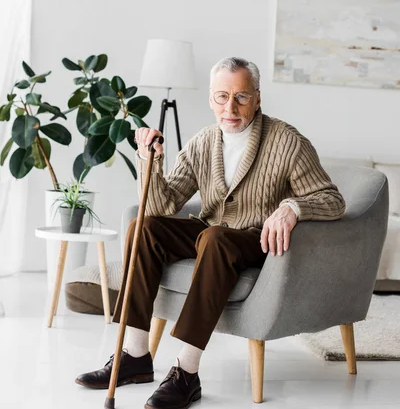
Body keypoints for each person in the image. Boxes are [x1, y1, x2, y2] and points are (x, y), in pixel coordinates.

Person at [75, 56, 345, 409]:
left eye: (241, 97)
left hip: (255, 240)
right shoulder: (203, 141)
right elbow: (162, 206)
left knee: (215, 239)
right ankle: (135, 356)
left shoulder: (287, 141)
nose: (230, 107)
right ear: (210, 99)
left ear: (258, 98)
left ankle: (186, 373)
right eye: (221, 97)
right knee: (144, 228)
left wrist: (292, 208)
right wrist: (148, 161)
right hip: (210, 233)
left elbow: (332, 199)